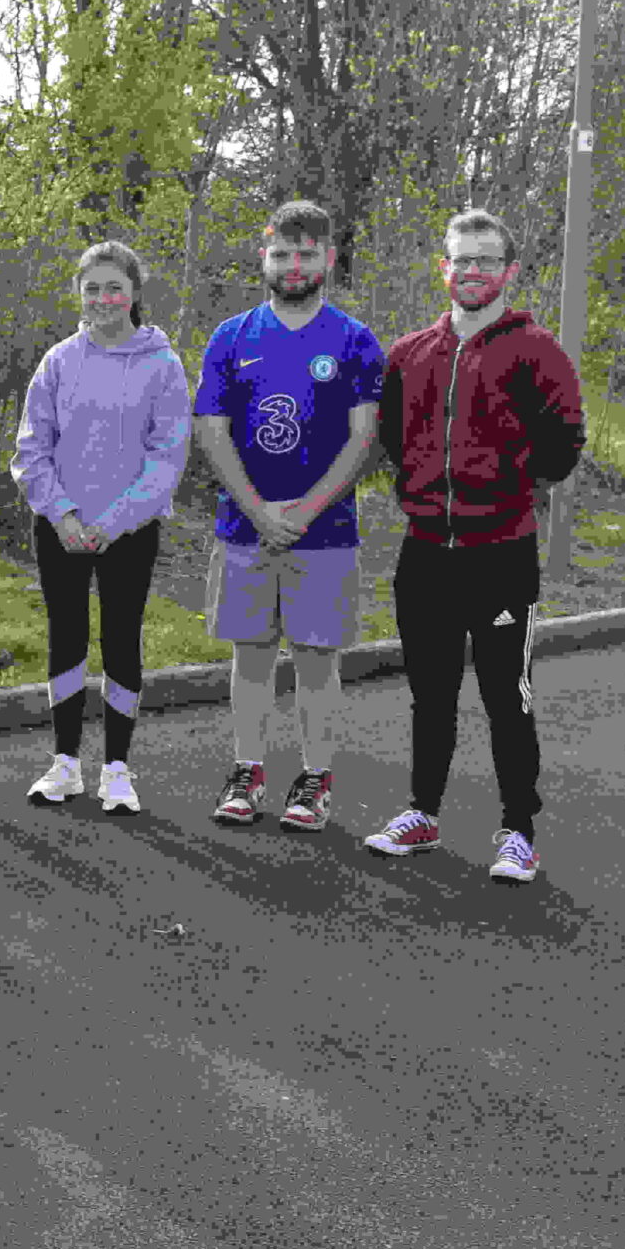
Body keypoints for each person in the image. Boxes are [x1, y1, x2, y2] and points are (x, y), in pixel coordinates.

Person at [362, 210, 585, 883]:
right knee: (429, 693)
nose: (473, 270)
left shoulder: (537, 350)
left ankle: (519, 829)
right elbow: (397, 445)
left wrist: (507, 489)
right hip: (426, 551)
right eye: (462, 258)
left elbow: (562, 445)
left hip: (501, 554)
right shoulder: (408, 354)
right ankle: (421, 813)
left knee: (504, 695)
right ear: (444, 267)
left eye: (487, 260)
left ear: (509, 272)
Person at [194, 200, 383, 834]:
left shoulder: (354, 340)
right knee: (249, 657)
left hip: (324, 534)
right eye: (282, 253)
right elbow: (213, 431)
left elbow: (364, 438)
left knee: (315, 659)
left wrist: (304, 510)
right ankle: (247, 771)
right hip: (245, 528)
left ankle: (314, 777)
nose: (293, 264)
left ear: (328, 259)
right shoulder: (232, 337)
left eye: (306, 254)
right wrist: (258, 509)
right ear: (264, 257)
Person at [10, 240, 192, 814]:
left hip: (128, 532)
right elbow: (31, 448)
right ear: (78, 294)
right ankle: (65, 762)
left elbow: (167, 457)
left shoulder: (162, 365)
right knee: (66, 636)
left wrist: (114, 522)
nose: (103, 299)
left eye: (114, 287)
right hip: (60, 527)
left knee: (121, 639)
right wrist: (62, 514)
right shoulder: (58, 362)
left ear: (135, 293)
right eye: (92, 289)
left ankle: (117, 768)